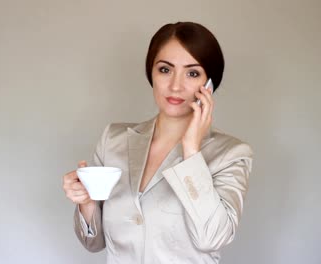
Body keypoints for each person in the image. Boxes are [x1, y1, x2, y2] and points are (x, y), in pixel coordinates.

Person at [62, 21, 253, 264]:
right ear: (150, 72)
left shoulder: (231, 154)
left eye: (192, 73)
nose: (175, 85)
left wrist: (192, 151)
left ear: (209, 85)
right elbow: (93, 242)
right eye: (165, 69)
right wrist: (87, 203)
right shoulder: (113, 139)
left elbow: (212, 238)